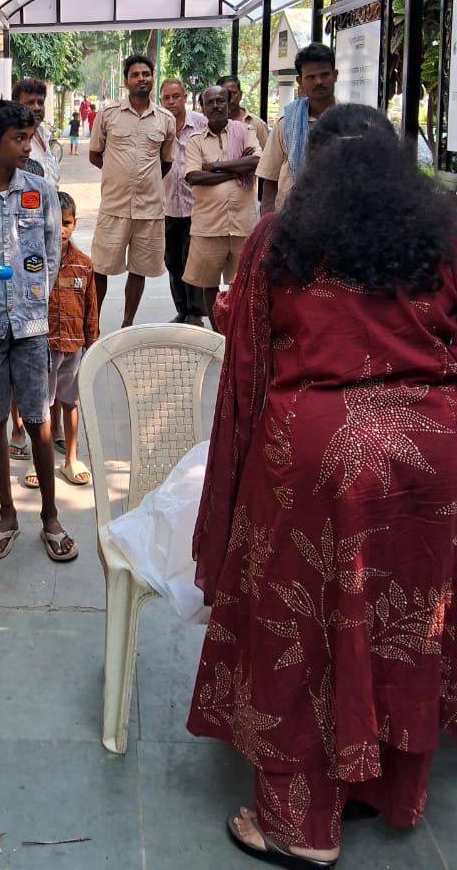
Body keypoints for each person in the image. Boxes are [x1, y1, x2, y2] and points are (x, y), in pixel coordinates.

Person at [188, 104, 457, 865]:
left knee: (298, 628)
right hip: (432, 456)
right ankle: (382, 789)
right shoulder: (442, 235)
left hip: (316, 455)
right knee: (404, 622)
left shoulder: (282, 239)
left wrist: (238, 482)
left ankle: (300, 827)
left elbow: (248, 363)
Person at [0, 98, 77, 563]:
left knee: (39, 418)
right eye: (18, 139)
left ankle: (50, 515)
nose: (28, 147)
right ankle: (7, 514)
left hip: (30, 327)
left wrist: (35, 302)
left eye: (29, 138)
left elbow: (51, 252)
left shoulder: (42, 191)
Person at [89, 53, 176, 327]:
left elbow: (166, 162)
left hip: (149, 210)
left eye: (146, 74)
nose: (141, 79)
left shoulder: (165, 119)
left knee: (139, 268)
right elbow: (95, 155)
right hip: (113, 206)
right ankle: (93, 326)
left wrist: (145, 181)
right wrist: (118, 176)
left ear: (153, 78)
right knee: (100, 266)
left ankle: (127, 324)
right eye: (135, 75)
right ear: (126, 82)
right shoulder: (108, 115)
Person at [183, 85, 261, 328]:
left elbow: (256, 161)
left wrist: (215, 167)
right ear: (203, 108)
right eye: (210, 102)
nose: (216, 106)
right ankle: (218, 331)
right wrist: (237, 170)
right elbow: (194, 176)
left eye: (220, 101)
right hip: (209, 225)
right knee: (209, 284)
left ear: (229, 104)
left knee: (242, 283)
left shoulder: (246, 131)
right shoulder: (195, 140)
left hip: (242, 224)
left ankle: (237, 330)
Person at [47, 191, 98, 486]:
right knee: (42, 406)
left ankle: (71, 458)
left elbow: (91, 308)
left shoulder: (84, 264)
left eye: (66, 223)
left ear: (75, 223)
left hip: (73, 347)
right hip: (43, 346)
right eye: (55, 223)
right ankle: (40, 462)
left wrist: (92, 345)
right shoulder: (36, 263)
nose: (61, 230)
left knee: (70, 402)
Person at [257, 42, 338, 213]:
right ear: (300, 81)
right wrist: (267, 224)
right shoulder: (286, 124)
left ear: (335, 75)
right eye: (311, 77)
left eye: (324, 75)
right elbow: (269, 181)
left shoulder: (351, 121)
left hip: (338, 219)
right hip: (291, 219)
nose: (319, 82)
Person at [160, 77, 208, 327]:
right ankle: (182, 309)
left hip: (195, 206)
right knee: (172, 261)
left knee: (193, 260)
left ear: (184, 98)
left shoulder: (200, 123)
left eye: (176, 96)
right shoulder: (159, 125)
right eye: (166, 98)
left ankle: (196, 313)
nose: (171, 102)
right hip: (167, 205)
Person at [216, 74, 270, 148]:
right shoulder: (209, 123)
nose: (229, 98)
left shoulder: (257, 124)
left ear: (240, 95)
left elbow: (267, 153)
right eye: (224, 93)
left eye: (233, 93)